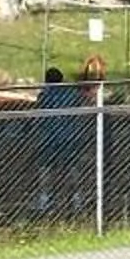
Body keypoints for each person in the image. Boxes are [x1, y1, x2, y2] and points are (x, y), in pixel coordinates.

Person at [33, 66, 83, 217]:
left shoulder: (44, 95)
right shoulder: (71, 94)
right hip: (69, 136)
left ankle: (46, 197)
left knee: (46, 168)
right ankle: (76, 197)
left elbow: (39, 114)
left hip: (49, 138)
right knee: (72, 167)